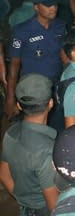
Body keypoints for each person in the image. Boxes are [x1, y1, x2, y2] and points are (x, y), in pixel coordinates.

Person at [0, 73, 59, 214]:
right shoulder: (48, 150)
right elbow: (54, 207)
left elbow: (3, 174)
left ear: (19, 105)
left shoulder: (11, 133)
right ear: (50, 103)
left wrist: (25, 201)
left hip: (26, 209)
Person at [6, 0, 66, 119]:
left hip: (56, 84)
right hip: (33, 88)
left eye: (55, 4)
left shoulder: (60, 26)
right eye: (48, 5)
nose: (53, 8)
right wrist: (10, 98)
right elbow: (14, 66)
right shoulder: (21, 31)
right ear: (36, 7)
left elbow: (64, 55)